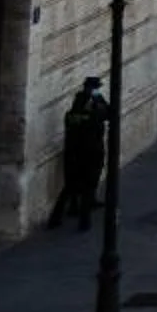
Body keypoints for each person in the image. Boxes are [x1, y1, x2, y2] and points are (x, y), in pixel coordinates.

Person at [50, 77, 107, 229]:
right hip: (91, 153)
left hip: (73, 153)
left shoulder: (70, 115)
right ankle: (84, 221)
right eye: (95, 89)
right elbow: (107, 114)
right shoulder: (93, 114)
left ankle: (56, 219)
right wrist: (98, 99)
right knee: (88, 185)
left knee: (69, 187)